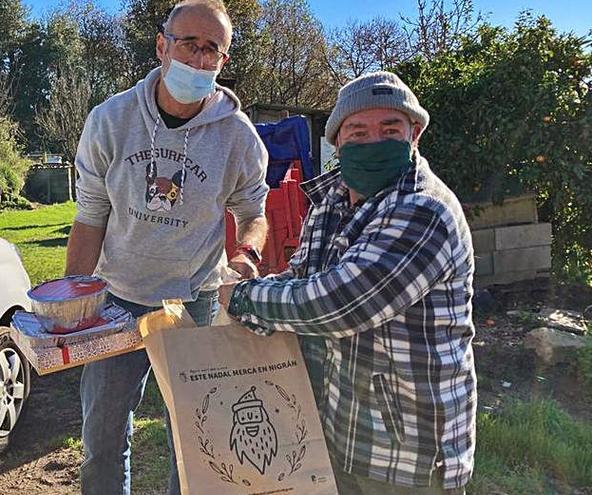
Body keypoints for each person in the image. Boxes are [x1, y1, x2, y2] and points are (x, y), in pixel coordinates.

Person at [222, 71, 476, 495]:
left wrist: (243, 298)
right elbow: (303, 280)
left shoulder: (423, 210)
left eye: (389, 129)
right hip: (344, 433)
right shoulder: (331, 203)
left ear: (415, 135)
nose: (373, 141)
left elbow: (339, 303)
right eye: (357, 131)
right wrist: (251, 304)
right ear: (336, 142)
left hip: (407, 453)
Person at [64, 1, 269, 493]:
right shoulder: (110, 120)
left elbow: (254, 214)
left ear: (223, 61)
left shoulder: (238, 137)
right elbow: (90, 218)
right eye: (188, 45)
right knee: (102, 440)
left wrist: (247, 255)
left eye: (211, 50)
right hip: (116, 300)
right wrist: (73, 301)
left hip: (193, 301)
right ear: (161, 46)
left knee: (197, 439)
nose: (198, 59)